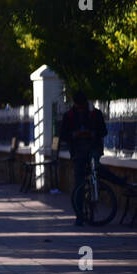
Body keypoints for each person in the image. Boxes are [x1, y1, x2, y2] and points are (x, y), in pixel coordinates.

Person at [59, 91, 106, 225]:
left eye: (82, 106)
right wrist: (75, 134)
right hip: (78, 153)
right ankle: (79, 215)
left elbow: (103, 131)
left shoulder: (95, 114)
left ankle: (97, 188)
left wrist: (91, 133)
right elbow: (63, 135)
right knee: (79, 184)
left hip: (93, 149)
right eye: (78, 107)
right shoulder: (69, 116)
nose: (80, 109)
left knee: (96, 170)